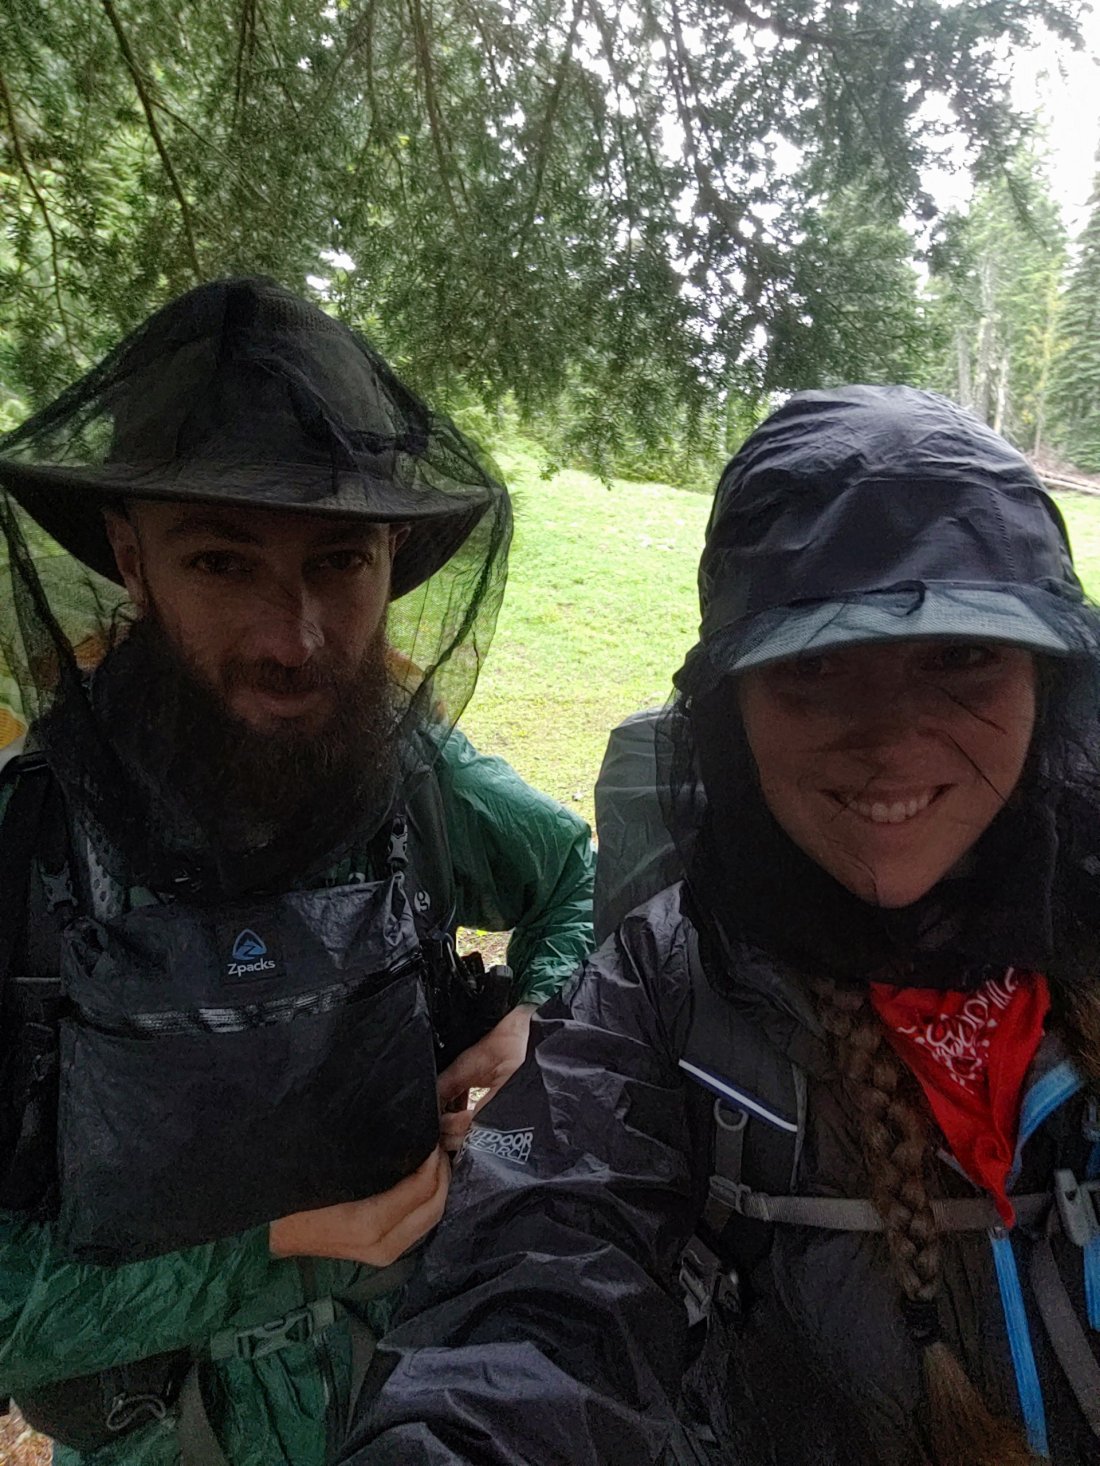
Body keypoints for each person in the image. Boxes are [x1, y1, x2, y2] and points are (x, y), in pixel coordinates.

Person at [341, 386, 1100, 1466]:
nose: (888, 739)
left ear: (1046, 677)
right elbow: (532, 1304)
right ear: (732, 710)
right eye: (814, 666)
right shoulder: (663, 990)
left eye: (959, 655)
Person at [0, 277, 594, 1466]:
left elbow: (573, 875)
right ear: (130, 555)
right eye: (224, 562)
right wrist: (279, 1247)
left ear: (393, 556)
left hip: (421, 1423)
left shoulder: (414, 775)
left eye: (339, 561)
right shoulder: (30, 846)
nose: (297, 636)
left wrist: (537, 1014)